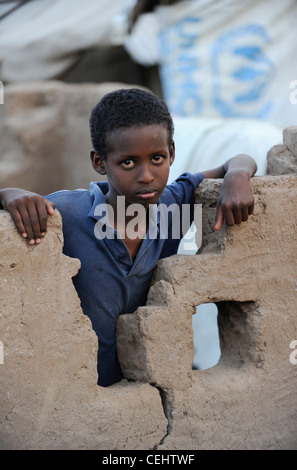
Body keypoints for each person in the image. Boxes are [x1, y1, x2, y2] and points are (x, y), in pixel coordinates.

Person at [0, 88, 257, 387]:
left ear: (172, 153)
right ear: (99, 162)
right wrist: (9, 194)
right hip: (75, 391)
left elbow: (238, 159)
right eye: (128, 163)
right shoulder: (66, 214)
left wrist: (237, 175)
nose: (146, 175)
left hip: (146, 388)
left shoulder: (174, 204)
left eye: (157, 158)